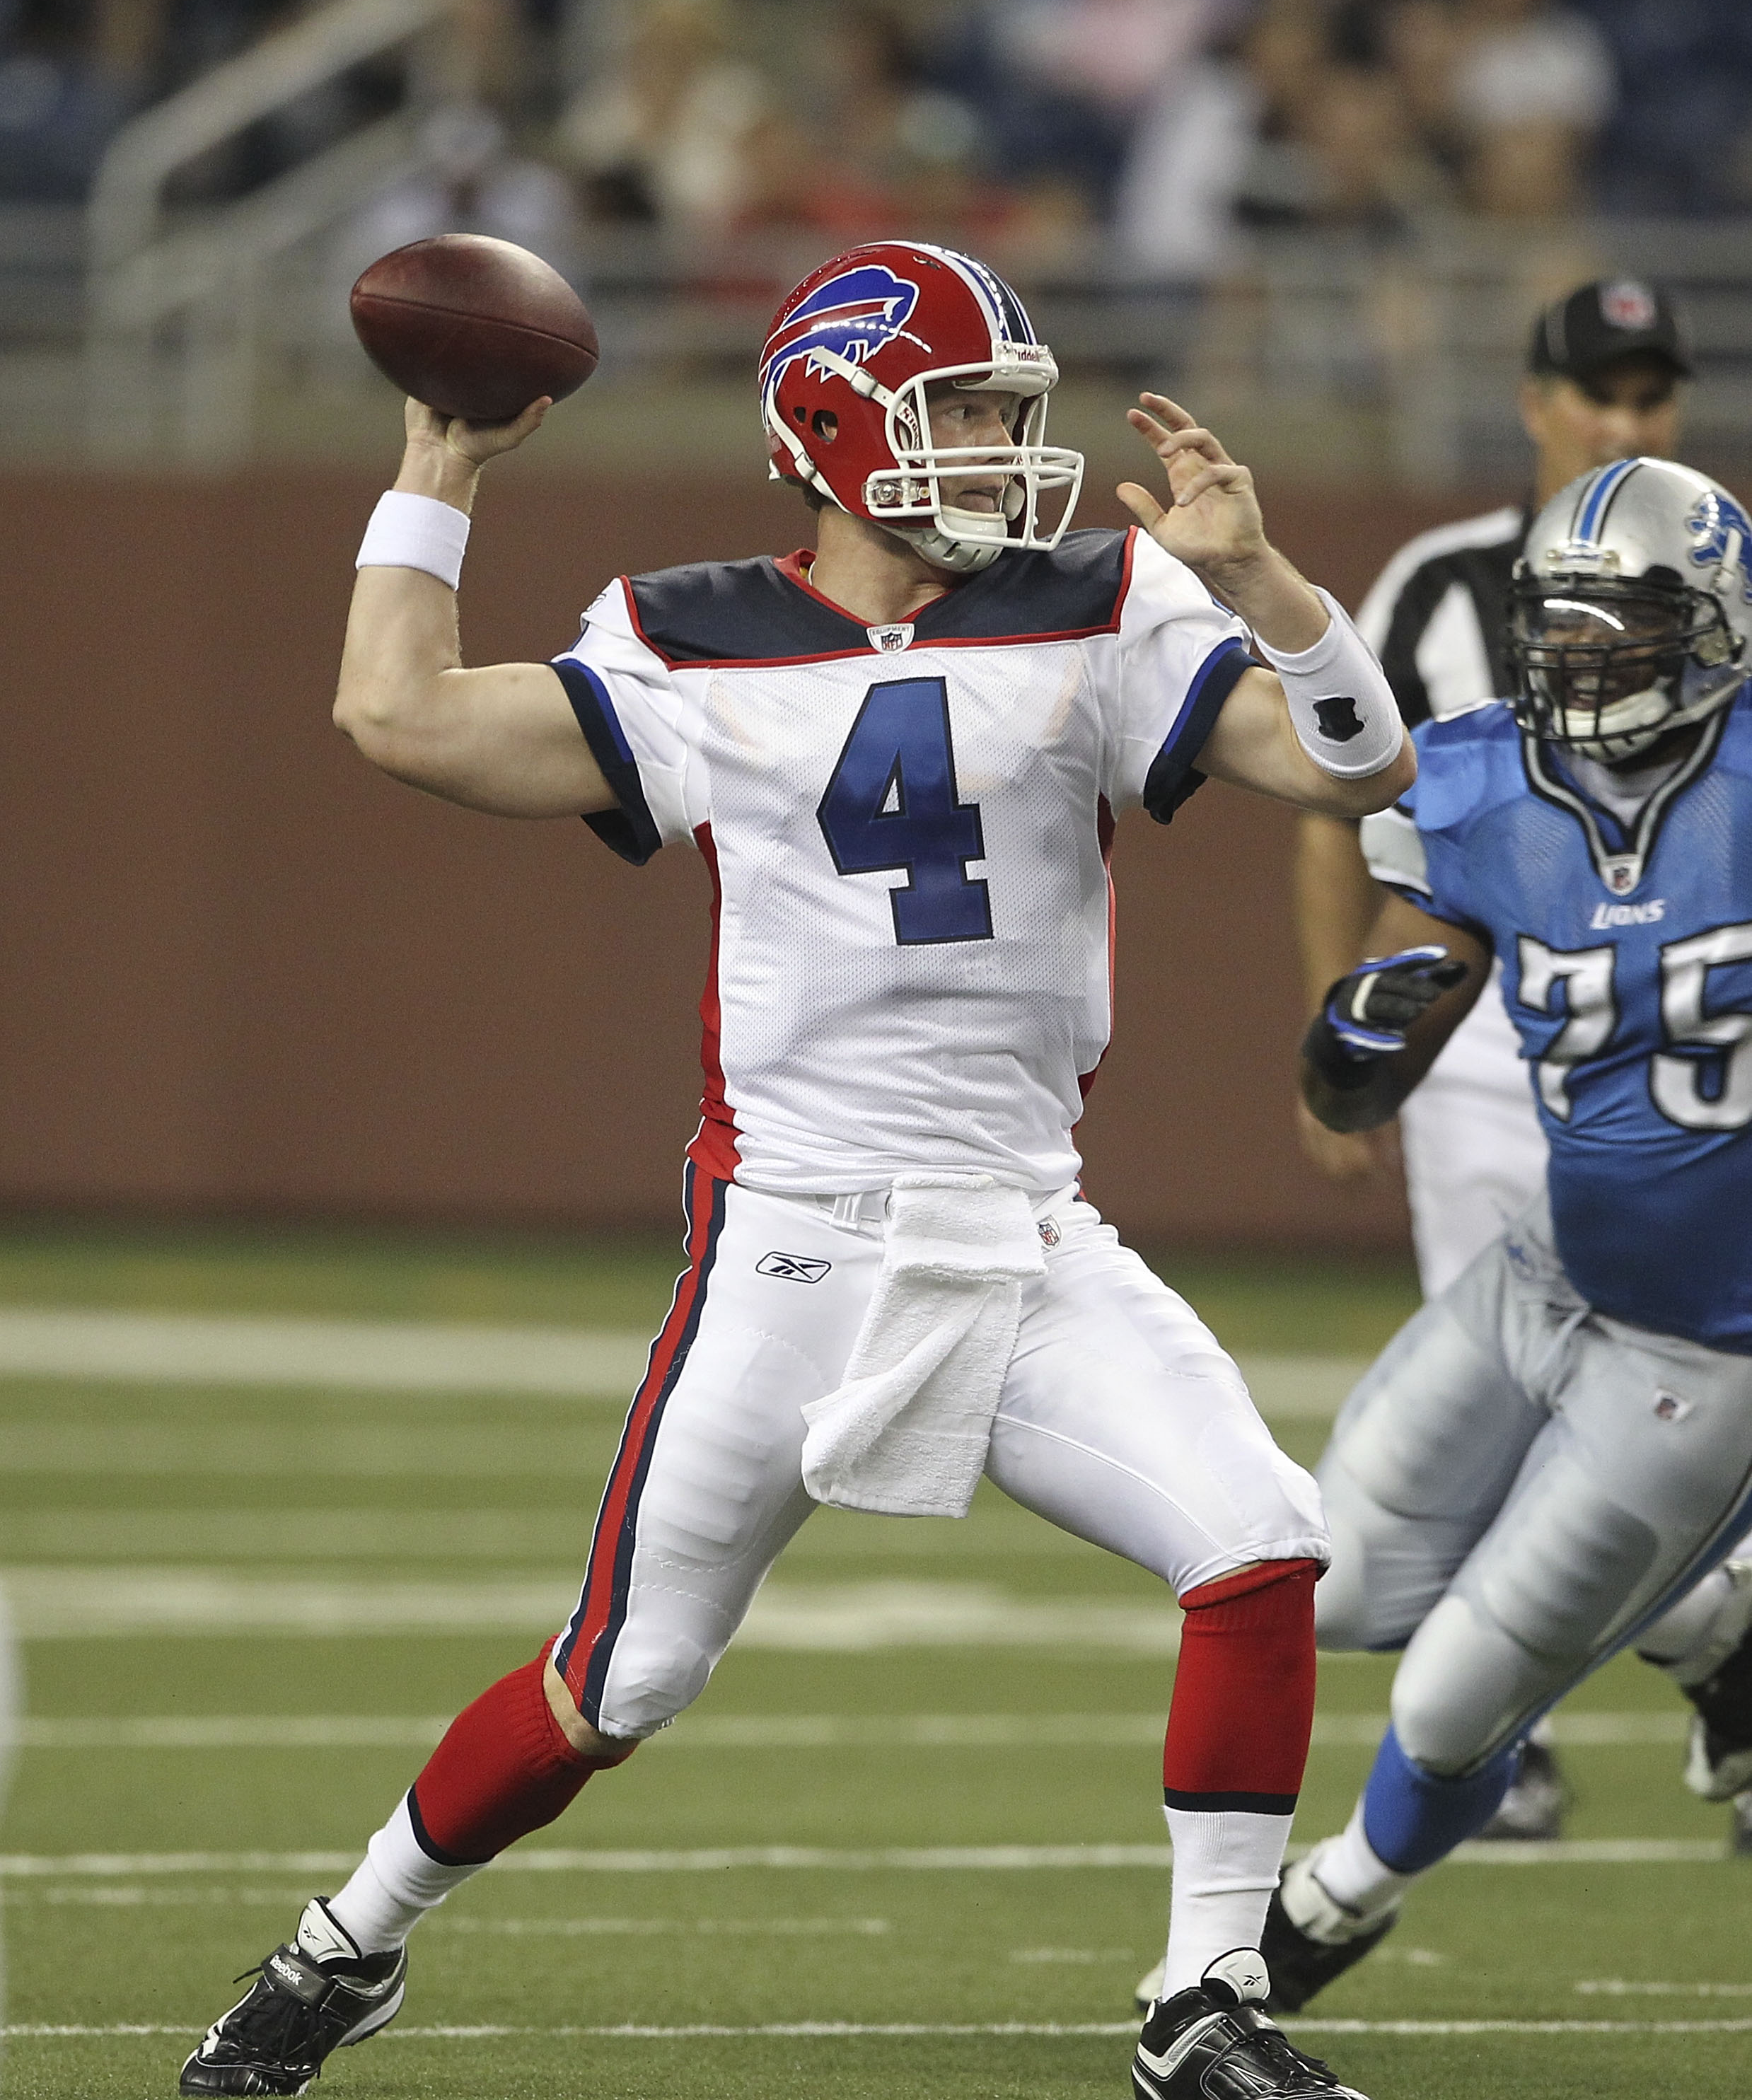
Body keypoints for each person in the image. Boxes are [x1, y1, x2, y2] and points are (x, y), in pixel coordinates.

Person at [178, 240, 1413, 2100]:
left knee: (1258, 1546)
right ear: (835, 429)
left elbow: (1349, 770)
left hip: (1022, 1239)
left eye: (1013, 410)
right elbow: (395, 715)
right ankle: (349, 1939)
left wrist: (1267, 590)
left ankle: (1200, 2005)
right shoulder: (687, 633)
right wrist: (438, 469)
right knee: (619, 1682)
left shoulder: (1104, 597)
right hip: (792, 1251)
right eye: (969, 416)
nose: (1011, 450)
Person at [1262, 452, 1752, 2012]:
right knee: (1327, 1585)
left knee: (1458, 1695)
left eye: (1628, 627)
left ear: (1717, 629)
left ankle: (1327, 1910)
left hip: (1714, 1348)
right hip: (1546, 1267)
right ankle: (1727, 1625)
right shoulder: (1489, 779)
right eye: (1567, 627)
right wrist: (1354, 1051)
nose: (1588, 658)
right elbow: (1416, 948)